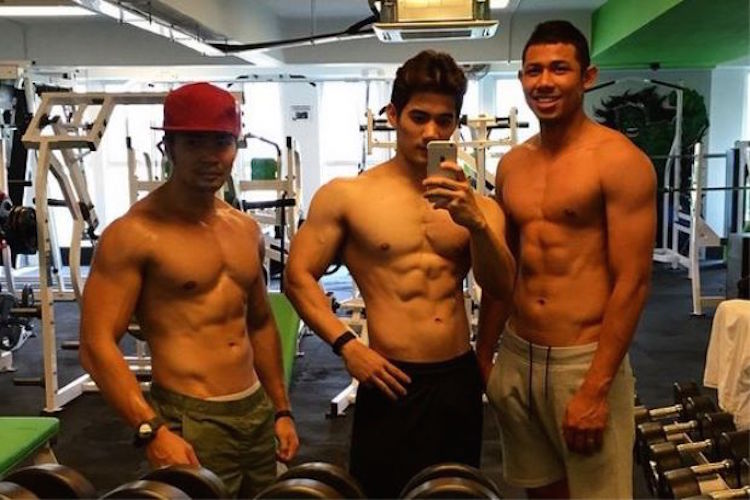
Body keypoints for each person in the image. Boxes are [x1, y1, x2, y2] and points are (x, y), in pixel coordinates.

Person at [284, 50, 515, 498]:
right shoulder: (348, 196)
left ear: (456, 124)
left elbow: (501, 286)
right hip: (388, 376)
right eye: (419, 117)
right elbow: (297, 276)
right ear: (393, 116)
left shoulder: (480, 207)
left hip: (456, 378)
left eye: (444, 121)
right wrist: (347, 346)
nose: (431, 133)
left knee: (452, 494)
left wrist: (476, 224)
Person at [79, 82, 298, 498]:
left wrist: (281, 409)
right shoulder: (133, 235)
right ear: (169, 148)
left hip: (255, 410)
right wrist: (150, 429)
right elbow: (95, 345)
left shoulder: (246, 230)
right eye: (194, 142)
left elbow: (259, 323)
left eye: (222, 142)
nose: (211, 156)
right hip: (189, 416)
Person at [476, 20, 656, 498]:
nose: (544, 82)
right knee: (540, 492)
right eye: (534, 70)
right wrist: (485, 355)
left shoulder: (619, 161)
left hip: (583, 360)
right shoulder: (512, 165)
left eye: (559, 69)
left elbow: (633, 282)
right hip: (518, 354)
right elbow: (505, 270)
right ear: (521, 78)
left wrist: (596, 387)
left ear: (587, 77)